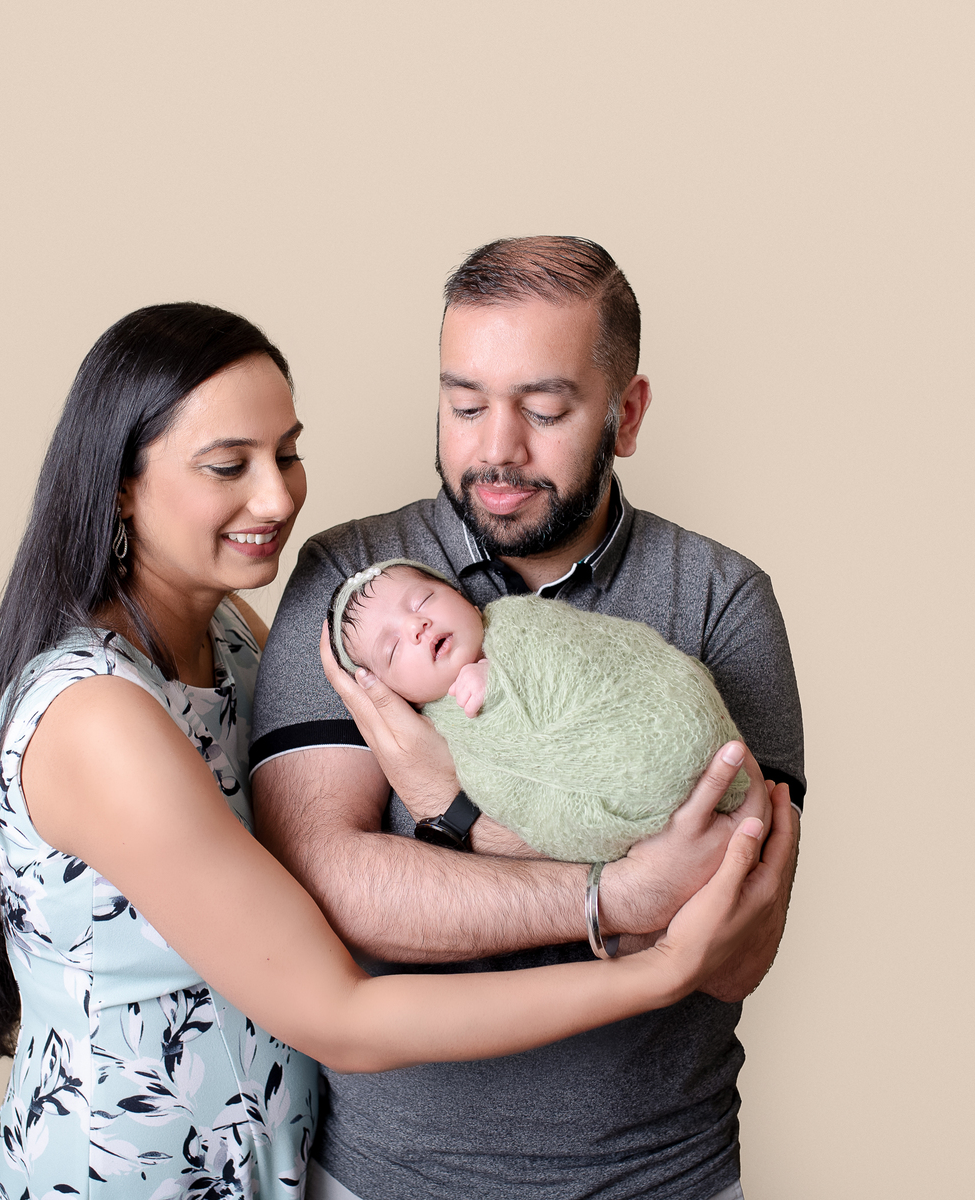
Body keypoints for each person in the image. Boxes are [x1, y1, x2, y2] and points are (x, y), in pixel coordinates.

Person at [0, 301, 786, 1200]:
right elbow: (340, 1011)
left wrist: (467, 795)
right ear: (119, 484)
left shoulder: (231, 636)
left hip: (260, 1168)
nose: (278, 498)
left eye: (287, 454)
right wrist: (651, 957)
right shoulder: (100, 717)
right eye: (228, 465)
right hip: (129, 1176)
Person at [251, 238, 805, 1200]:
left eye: (544, 410)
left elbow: (737, 948)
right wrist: (624, 899)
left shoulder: (721, 600)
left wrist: (452, 811)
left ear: (627, 414)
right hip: (387, 1180)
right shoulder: (355, 591)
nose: (497, 448)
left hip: (663, 1178)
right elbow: (326, 887)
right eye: (465, 406)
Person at [326, 558, 748, 863]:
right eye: (393, 648)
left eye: (423, 601)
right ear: (397, 695)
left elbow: (591, 651)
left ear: (464, 599)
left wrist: (501, 673)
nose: (415, 627)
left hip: (660, 716)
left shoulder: (516, 620)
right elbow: (509, 792)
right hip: (621, 795)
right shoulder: (433, 730)